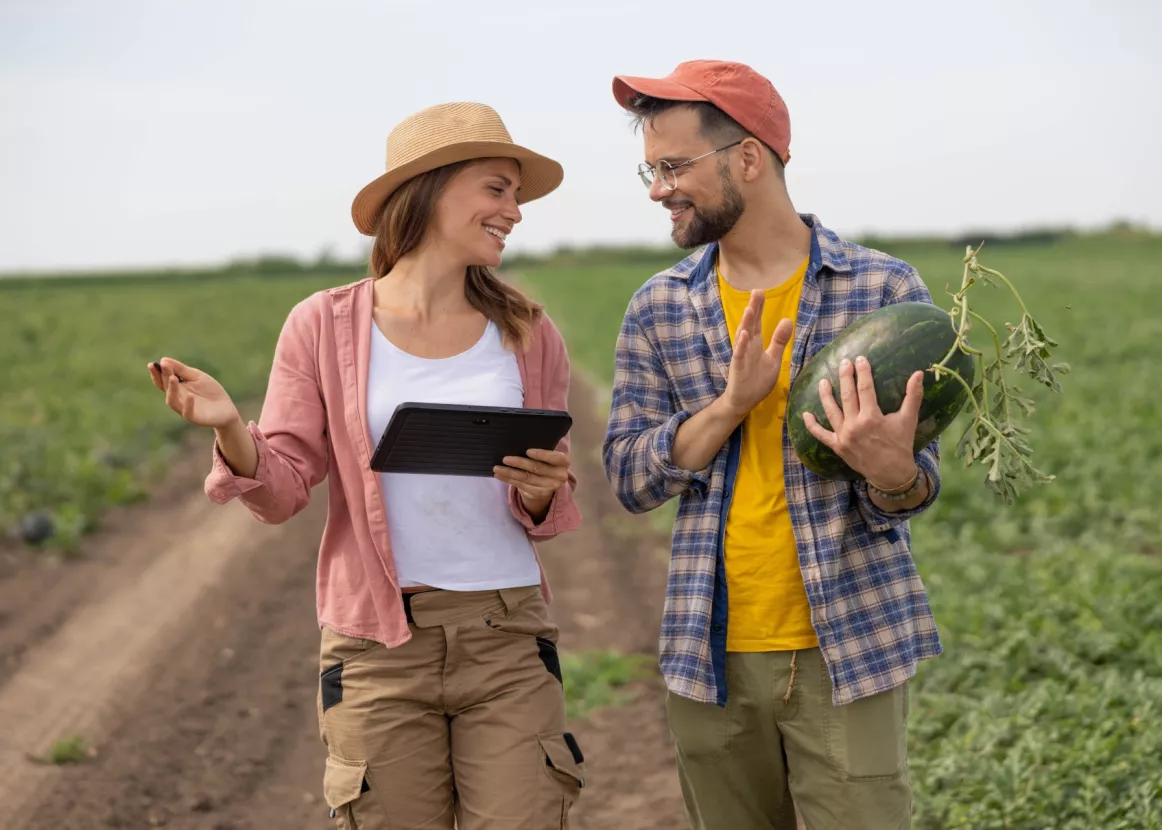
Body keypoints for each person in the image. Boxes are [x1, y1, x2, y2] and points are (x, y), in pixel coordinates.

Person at [147, 102, 587, 830]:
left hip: (505, 634)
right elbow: (282, 491)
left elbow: (550, 500)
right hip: (378, 646)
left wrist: (542, 492)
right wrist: (228, 425)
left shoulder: (528, 332)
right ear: (429, 189)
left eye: (516, 194)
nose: (514, 211)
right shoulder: (322, 324)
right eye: (496, 189)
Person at [602, 60, 943, 830]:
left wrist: (892, 474)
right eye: (651, 171)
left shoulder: (882, 292)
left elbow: (915, 488)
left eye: (674, 167)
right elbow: (628, 477)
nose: (658, 189)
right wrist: (730, 406)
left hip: (848, 646)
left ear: (748, 159)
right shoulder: (659, 307)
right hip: (708, 653)